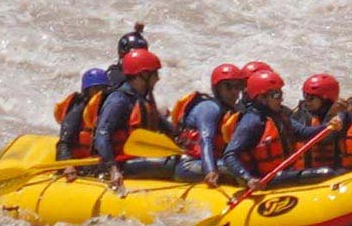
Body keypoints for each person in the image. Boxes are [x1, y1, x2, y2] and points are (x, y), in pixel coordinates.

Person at [221, 69, 341, 188]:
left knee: (333, 171)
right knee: (325, 173)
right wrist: (248, 179)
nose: (281, 99)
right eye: (276, 95)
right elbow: (230, 155)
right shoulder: (252, 121)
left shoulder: (279, 116)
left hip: (283, 174)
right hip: (264, 180)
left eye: (281, 94)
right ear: (261, 97)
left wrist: (328, 126)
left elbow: (304, 133)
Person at [91, 48, 179, 188]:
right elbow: (102, 135)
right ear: (142, 75)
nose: (158, 78)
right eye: (154, 73)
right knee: (175, 165)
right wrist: (113, 169)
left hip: (136, 157)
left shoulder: (141, 100)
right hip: (120, 164)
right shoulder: (118, 100)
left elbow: (169, 129)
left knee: (180, 159)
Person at [170, 63, 245, 186]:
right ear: (217, 89)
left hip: (210, 159)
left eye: (238, 87)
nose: (234, 92)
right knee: (235, 167)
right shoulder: (210, 108)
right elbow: (206, 140)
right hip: (189, 163)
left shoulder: (232, 110)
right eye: (228, 86)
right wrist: (210, 170)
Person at [291, 73, 347, 171]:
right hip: (304, 175)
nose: (307, 101)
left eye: (311, 98)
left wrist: (331, 115)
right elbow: (305, 134)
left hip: (333, 173)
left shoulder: (341, 115)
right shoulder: (298, 114)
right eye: (305, 96)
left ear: (326, 100)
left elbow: (328, 139)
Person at [54, 68, 109, 160]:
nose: (99, 92)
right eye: (95, 89)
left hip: (97, 159)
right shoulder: (77, 109)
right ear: (87, 91)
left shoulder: (108, 107)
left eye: (103, 88)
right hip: (78, 162)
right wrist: (67, 165)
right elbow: (64, 143)